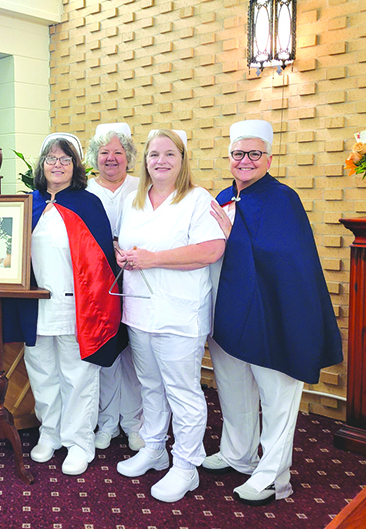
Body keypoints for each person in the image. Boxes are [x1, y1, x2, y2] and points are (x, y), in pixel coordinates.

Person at [202, 119, 343, 505]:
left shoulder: (283, 198)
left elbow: (284, 257)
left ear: (268, 158)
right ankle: (238, 453)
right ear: (229, 158)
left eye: (254, 154)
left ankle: (272, 478)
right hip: (228, 312)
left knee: (276, 396)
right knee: (232, 389)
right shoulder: (224, 197)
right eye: (237, 154)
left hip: (274, 316)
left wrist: (235, 237)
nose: (244, 160)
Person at [114, 128, 225, 503]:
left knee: (183, 391)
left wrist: (153, 258)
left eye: (168, 154)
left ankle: (187, 466)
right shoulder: (133, 200)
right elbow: (124, 243)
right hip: (140, 309)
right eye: (153, 154)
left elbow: (212, 249)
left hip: (179, 313)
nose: (160, 161)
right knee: (150, 386)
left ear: (182, 159)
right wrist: (123, 255)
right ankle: (155, 447)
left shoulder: (197, 199)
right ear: (144, 160)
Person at [3, 133, 121, 476]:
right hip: (35, 305)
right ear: (42, 165)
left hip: (77, 306)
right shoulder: (28, 203)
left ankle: (78, 441)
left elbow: (101, 263)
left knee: (78, 375)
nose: (57, 165)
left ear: (75, 166)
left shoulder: (88, 204)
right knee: (42, 373)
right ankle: (50, 432)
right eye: (51, 159)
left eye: (65, 159)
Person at [84, 122, 144, 452]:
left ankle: (134, 423)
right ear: (95, 157)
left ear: (129, 157)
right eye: (104, 152)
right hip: (97, 283)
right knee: (107, 354)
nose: (111, 158)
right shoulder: (86, 192)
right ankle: (106, 422)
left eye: (118, 152)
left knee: (135, 356)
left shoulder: (142, 187)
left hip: (137, 281)